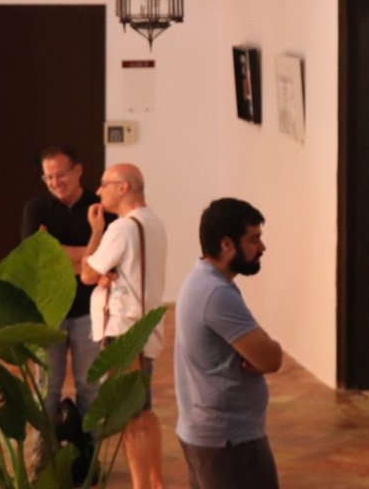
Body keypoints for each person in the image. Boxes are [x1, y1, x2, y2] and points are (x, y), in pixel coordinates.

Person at [174, 198, 283, 489]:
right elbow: (271, 358)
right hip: (229, 441)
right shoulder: (216, 293)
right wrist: (266, 352)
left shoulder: (202, 280)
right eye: (254, 239)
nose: (262, 247)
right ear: (226, 244)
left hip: (211, 435)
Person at [82, 163, 167, 489]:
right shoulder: (153, 221)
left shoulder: (122, 228)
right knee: (144, 412)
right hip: (143, 328)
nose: (98, 190)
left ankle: (141, 485)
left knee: (131, 418)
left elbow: (87, 274)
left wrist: (96, 231)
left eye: (104, 184)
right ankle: (154, 482)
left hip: (123, 332)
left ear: (123, 187)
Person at [21, 145, 110, 422]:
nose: (55, 182)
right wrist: (90, 255)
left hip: (89, 310)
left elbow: (108, 259)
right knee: (47, 388)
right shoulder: (36, 209)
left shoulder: (100, 207)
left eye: (61, 174)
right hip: (49, 312)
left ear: (78, 170)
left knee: (90, 385)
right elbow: (38, 258)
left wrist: (57, 251)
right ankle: (45, 447)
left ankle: (89, 446)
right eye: (49, 177)